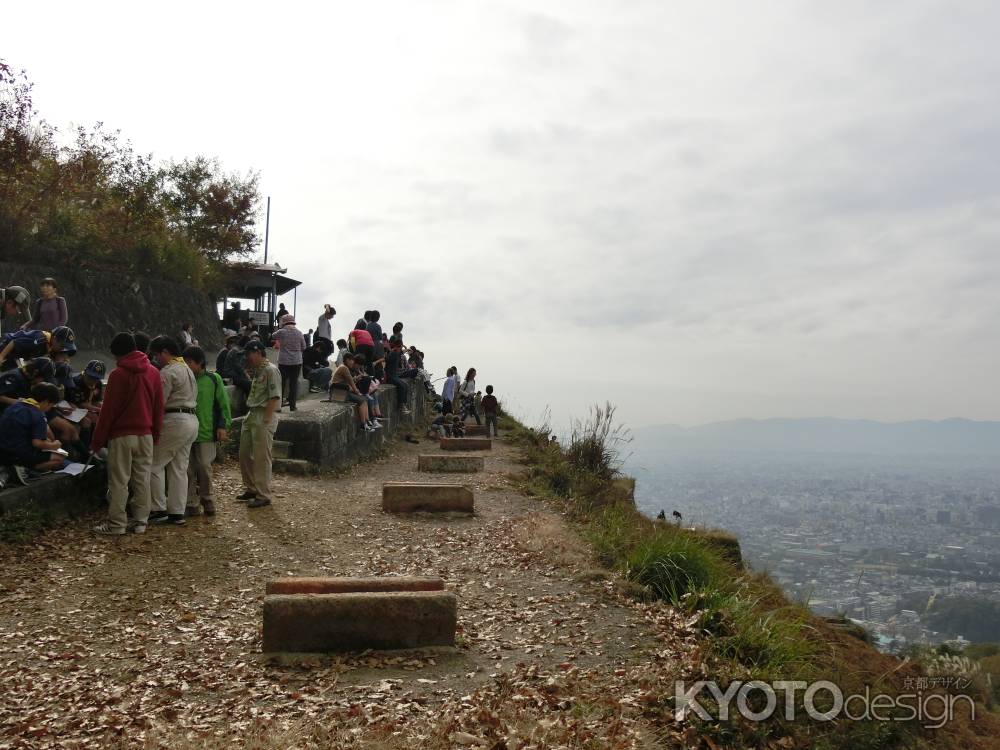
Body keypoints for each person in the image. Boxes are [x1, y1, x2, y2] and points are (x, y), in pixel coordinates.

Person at [91, 332, 164, 536]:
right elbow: (159, 408)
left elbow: (108, 412)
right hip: (146, 435)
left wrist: (97, 441)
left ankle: (117, 524)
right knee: (142, 479)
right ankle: (141, 522)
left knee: (119, 481)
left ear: (118, 353)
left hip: (121, 436)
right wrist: (156, 434)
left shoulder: (117, 375)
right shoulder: (153, 373)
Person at [147, 335, 199, 526]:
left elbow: (159, 402)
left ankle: (158, 508)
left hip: (175, 419)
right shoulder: (187, 369)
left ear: (165, 352)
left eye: (157, 355)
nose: (156, 359)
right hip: (191, 419)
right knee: (179, 468)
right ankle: (177, 511)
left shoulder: (168, 372)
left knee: (154, 463)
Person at [183, 346, 231, 517]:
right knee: (187, 469)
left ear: (200, 362)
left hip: (206, 431)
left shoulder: (213, 378)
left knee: (204, 466)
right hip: (186, 432)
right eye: (185, 362)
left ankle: (207, 499)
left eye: (190, 362)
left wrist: (223, 426)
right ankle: (190, 503)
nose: (187, 366)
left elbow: (223, 404)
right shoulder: (184, 379)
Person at [238, 340, 281, 508]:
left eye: (249, 354)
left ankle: (263, 494)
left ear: (257, 352)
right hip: (252, 413)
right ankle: (251, 487)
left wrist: (266, 420)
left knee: (262, 457)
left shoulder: (270, 370)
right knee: (244, 454)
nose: (247, 358)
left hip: (263, 414)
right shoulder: (258, 370)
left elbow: (274, 396)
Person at [0, 383, 66, 477]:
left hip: (2, 452)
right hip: (17, 455)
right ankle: (26, 470)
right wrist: (54, 445)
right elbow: (37, 443)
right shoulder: (37, 414)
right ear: (46, 402)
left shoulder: (14, 406)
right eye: (51, 406)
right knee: (59, 458)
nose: (49, 409)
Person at [326, 352, 374, 432]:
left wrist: (356, 379)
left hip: (341, 390)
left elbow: (349, 380)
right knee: (362, 401)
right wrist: (357, 392)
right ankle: (363, 424)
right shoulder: (344, 368)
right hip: (339, 392)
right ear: (348, 360)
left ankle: (367, 421)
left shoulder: (343, 367)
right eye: (352, 360)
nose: (353, 362)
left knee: (364, 399)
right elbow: (351, 382)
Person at [0, 325, 76, 371]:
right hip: (7, 348)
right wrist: (1, 356)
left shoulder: (51, 345)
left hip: (19, 356)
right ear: (55, 339)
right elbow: (14, 342)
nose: (62, 349)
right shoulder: (40, 341)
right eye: (62, 346)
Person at [271, 314, 306, 412]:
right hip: (297, 361)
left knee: (281, 383)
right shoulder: (299, 333)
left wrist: (279, 328)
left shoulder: (281, 332)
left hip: (284, 361)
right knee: (293, 383)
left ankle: (278, 406)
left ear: (284, 322)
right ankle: (292, 406)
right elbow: (304, 347)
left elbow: (273, 336)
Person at [385, 340, 412, 416]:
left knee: (405, 385)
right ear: (398, 347)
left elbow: (402, 352)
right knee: (402, 386)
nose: (401, 349)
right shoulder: (393, 354)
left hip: (395, 375)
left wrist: (405, 348)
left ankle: (404, 405)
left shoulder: (396, 353)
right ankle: (401, 406)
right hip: (390, 376)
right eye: (400, 347)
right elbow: (386, 360)